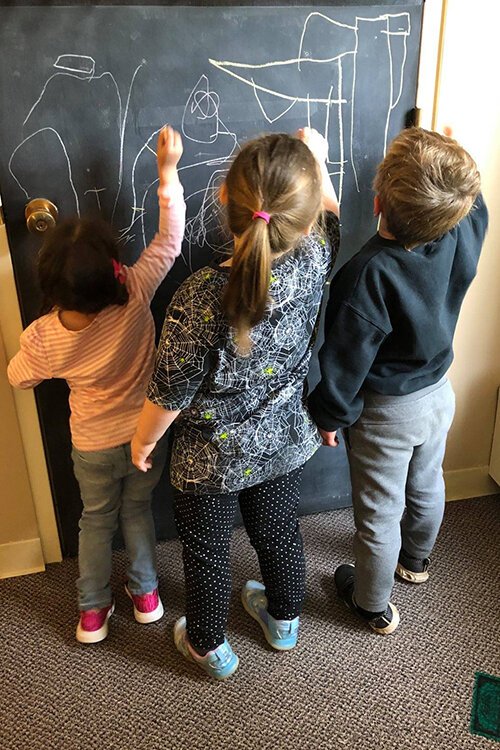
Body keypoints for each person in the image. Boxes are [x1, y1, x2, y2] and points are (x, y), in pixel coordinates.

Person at [131, 127, 340, 679]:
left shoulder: (200, 296)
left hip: (209, 459)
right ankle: (285, 619)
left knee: (207, 553)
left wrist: (143, 440)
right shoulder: (318, 253)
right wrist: (317, 161)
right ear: (305, 212)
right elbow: (329, 213)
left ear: (224, 197)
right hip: (281, 437)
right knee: (278, 529)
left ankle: (207, 645)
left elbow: (169, 392)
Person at [8, 126, 186, 644]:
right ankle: (147, 594)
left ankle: (92, 612)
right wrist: (167, 172)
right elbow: (169, 239)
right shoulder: (135, 291)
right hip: (146, 436)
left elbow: (19, 378)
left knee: (95, 521)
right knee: (137, 514)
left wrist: (37, 353)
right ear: (113, 270)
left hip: (91, 444)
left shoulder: (44, 336)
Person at [307, 127, 488, 634]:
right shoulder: (459, 231)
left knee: (379, 511)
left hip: (386, 413)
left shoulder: (368, 275)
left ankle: (371, 604)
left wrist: (331, 414)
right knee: (429, 483)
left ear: (378, 199)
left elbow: (345, 358)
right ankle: (417, 560)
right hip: (438, 396)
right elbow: (473, 203)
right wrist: (449, 160)